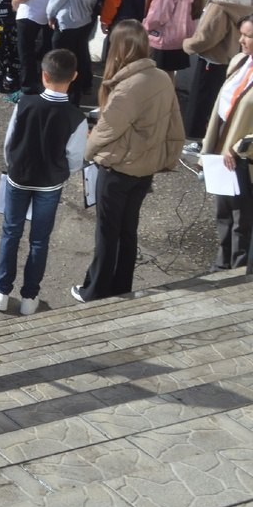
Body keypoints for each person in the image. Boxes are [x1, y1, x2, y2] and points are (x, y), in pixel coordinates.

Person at [73, 21, 184, 302]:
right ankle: (121, 286)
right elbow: (175, 125)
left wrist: (84, 153)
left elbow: (107, 131)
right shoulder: (162, 78)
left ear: (119, 48)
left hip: (117, 169)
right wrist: (167, 159)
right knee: (127, 231)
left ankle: (95, 290)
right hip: (145, 170)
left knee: (107, 233)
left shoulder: (126, 88)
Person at [0, 49, 87, 315]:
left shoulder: (24, 103)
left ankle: (1, 291)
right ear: (74, 76)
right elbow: (75, 157)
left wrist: (14, 166)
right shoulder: (76, 117)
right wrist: (61, 172)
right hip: (50, 183)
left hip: (19, 177)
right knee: (39, 240)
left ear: (44, 75)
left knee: (11, 233)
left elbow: (9, 143)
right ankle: (30, 296)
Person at [182, 0, 252, 153]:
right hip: (233, 61)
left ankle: (201, 142)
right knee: (220, 103)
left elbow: (207, 36)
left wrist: (186, 44)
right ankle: (212, 141)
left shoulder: (220, 4)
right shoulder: (247, 1)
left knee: (204, 105)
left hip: (212, 60)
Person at [201, 18, 253, 271]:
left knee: (241, 219)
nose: (242, 40)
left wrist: (239, 147)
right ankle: (221, 266)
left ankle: (238, 270)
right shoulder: (239, 61)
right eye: (242, 34)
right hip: (222, 150)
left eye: (248, 36)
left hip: (244, 158)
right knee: (223, 212)